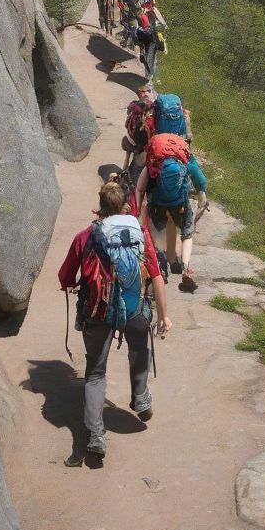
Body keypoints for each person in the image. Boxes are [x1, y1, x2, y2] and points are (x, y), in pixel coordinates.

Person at [58, 181, 172, 462]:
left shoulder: (86, 236)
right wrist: (164, 315)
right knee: (138, 348)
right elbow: (156, 276)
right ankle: (141, 396)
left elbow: (64, 277)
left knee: (96, 373)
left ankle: (95, 436)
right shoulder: (138, 233)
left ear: (99, 208)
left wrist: (78, 285)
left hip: (98, 311)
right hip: (134, 308)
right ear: (124, 206)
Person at [136, 134, 208, 294]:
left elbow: (140, 188)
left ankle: (159, 271)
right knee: (187, 234)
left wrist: (140, 210)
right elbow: (201, 182)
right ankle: (186, 269)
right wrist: (202, 200)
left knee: (155, 236)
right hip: (179, 207)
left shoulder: (154, 161)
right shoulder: (186, 159)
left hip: (158, 206)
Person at [123, 86, 155, 173]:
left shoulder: (133, 105)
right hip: (142, 142)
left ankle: (125, 169)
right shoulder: (153, 107)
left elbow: (127, 124)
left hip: (132, 138)